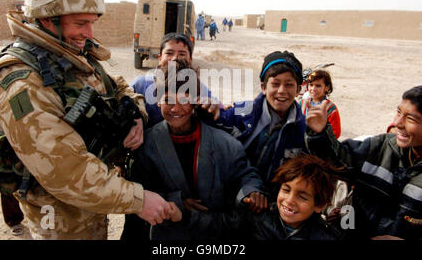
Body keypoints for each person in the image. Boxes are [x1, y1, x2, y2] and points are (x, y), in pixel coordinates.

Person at [0, 0, 178, 239]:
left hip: (94, 197)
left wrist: (136, 112)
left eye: (91, 23)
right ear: (48, 19)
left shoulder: (67, 51)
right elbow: (63, 169)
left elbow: (116, 84)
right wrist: (139, 200)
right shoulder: (21, 80)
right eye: (80, 23)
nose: (88, 33)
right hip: (59, 213)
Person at [131, 60, 268, 240]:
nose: (175, 108)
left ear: (196, 101)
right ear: (157, 101)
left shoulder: (224, 143)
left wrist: (252, 191)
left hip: (215, 233)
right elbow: (140, 189)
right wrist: (177, 202)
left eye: (184, 99)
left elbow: (245, 174)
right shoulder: (147, 144)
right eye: (168, 99)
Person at [305, 85, 422, 240]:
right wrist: (320, 134)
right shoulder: (382, 145)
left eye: (410, 118)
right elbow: (339, 163)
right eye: (399, 112)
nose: (397, 123)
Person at [217, 50, 307, 192]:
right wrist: (206, 109)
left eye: (289, 85)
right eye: (275, 84)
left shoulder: (303, 129)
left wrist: (321, 134)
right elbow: (213, 123)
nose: (282, 90)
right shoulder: (242, 112)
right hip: (230, 190)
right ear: (263, 87)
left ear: (299, 90)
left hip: (271, 201)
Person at [130, 32, 221, 129]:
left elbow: (217, 109)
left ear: (190, 60)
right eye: (169, 53)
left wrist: (213, 106)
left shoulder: (200, 88)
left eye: (182, 54)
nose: (175, 58)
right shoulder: (140, 84)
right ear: (160, 58)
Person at [250, 155, 344, 240]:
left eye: (302, 197)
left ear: (319, 205)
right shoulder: (256, 220)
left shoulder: (327, 237)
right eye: (286, 190)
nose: (289, 200)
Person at [299, 69, 341, 138]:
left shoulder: (331, 109)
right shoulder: (303, 103)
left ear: (327, 88)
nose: (313, 89)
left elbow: (336, 133)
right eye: (311, 85)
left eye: (318, 86)